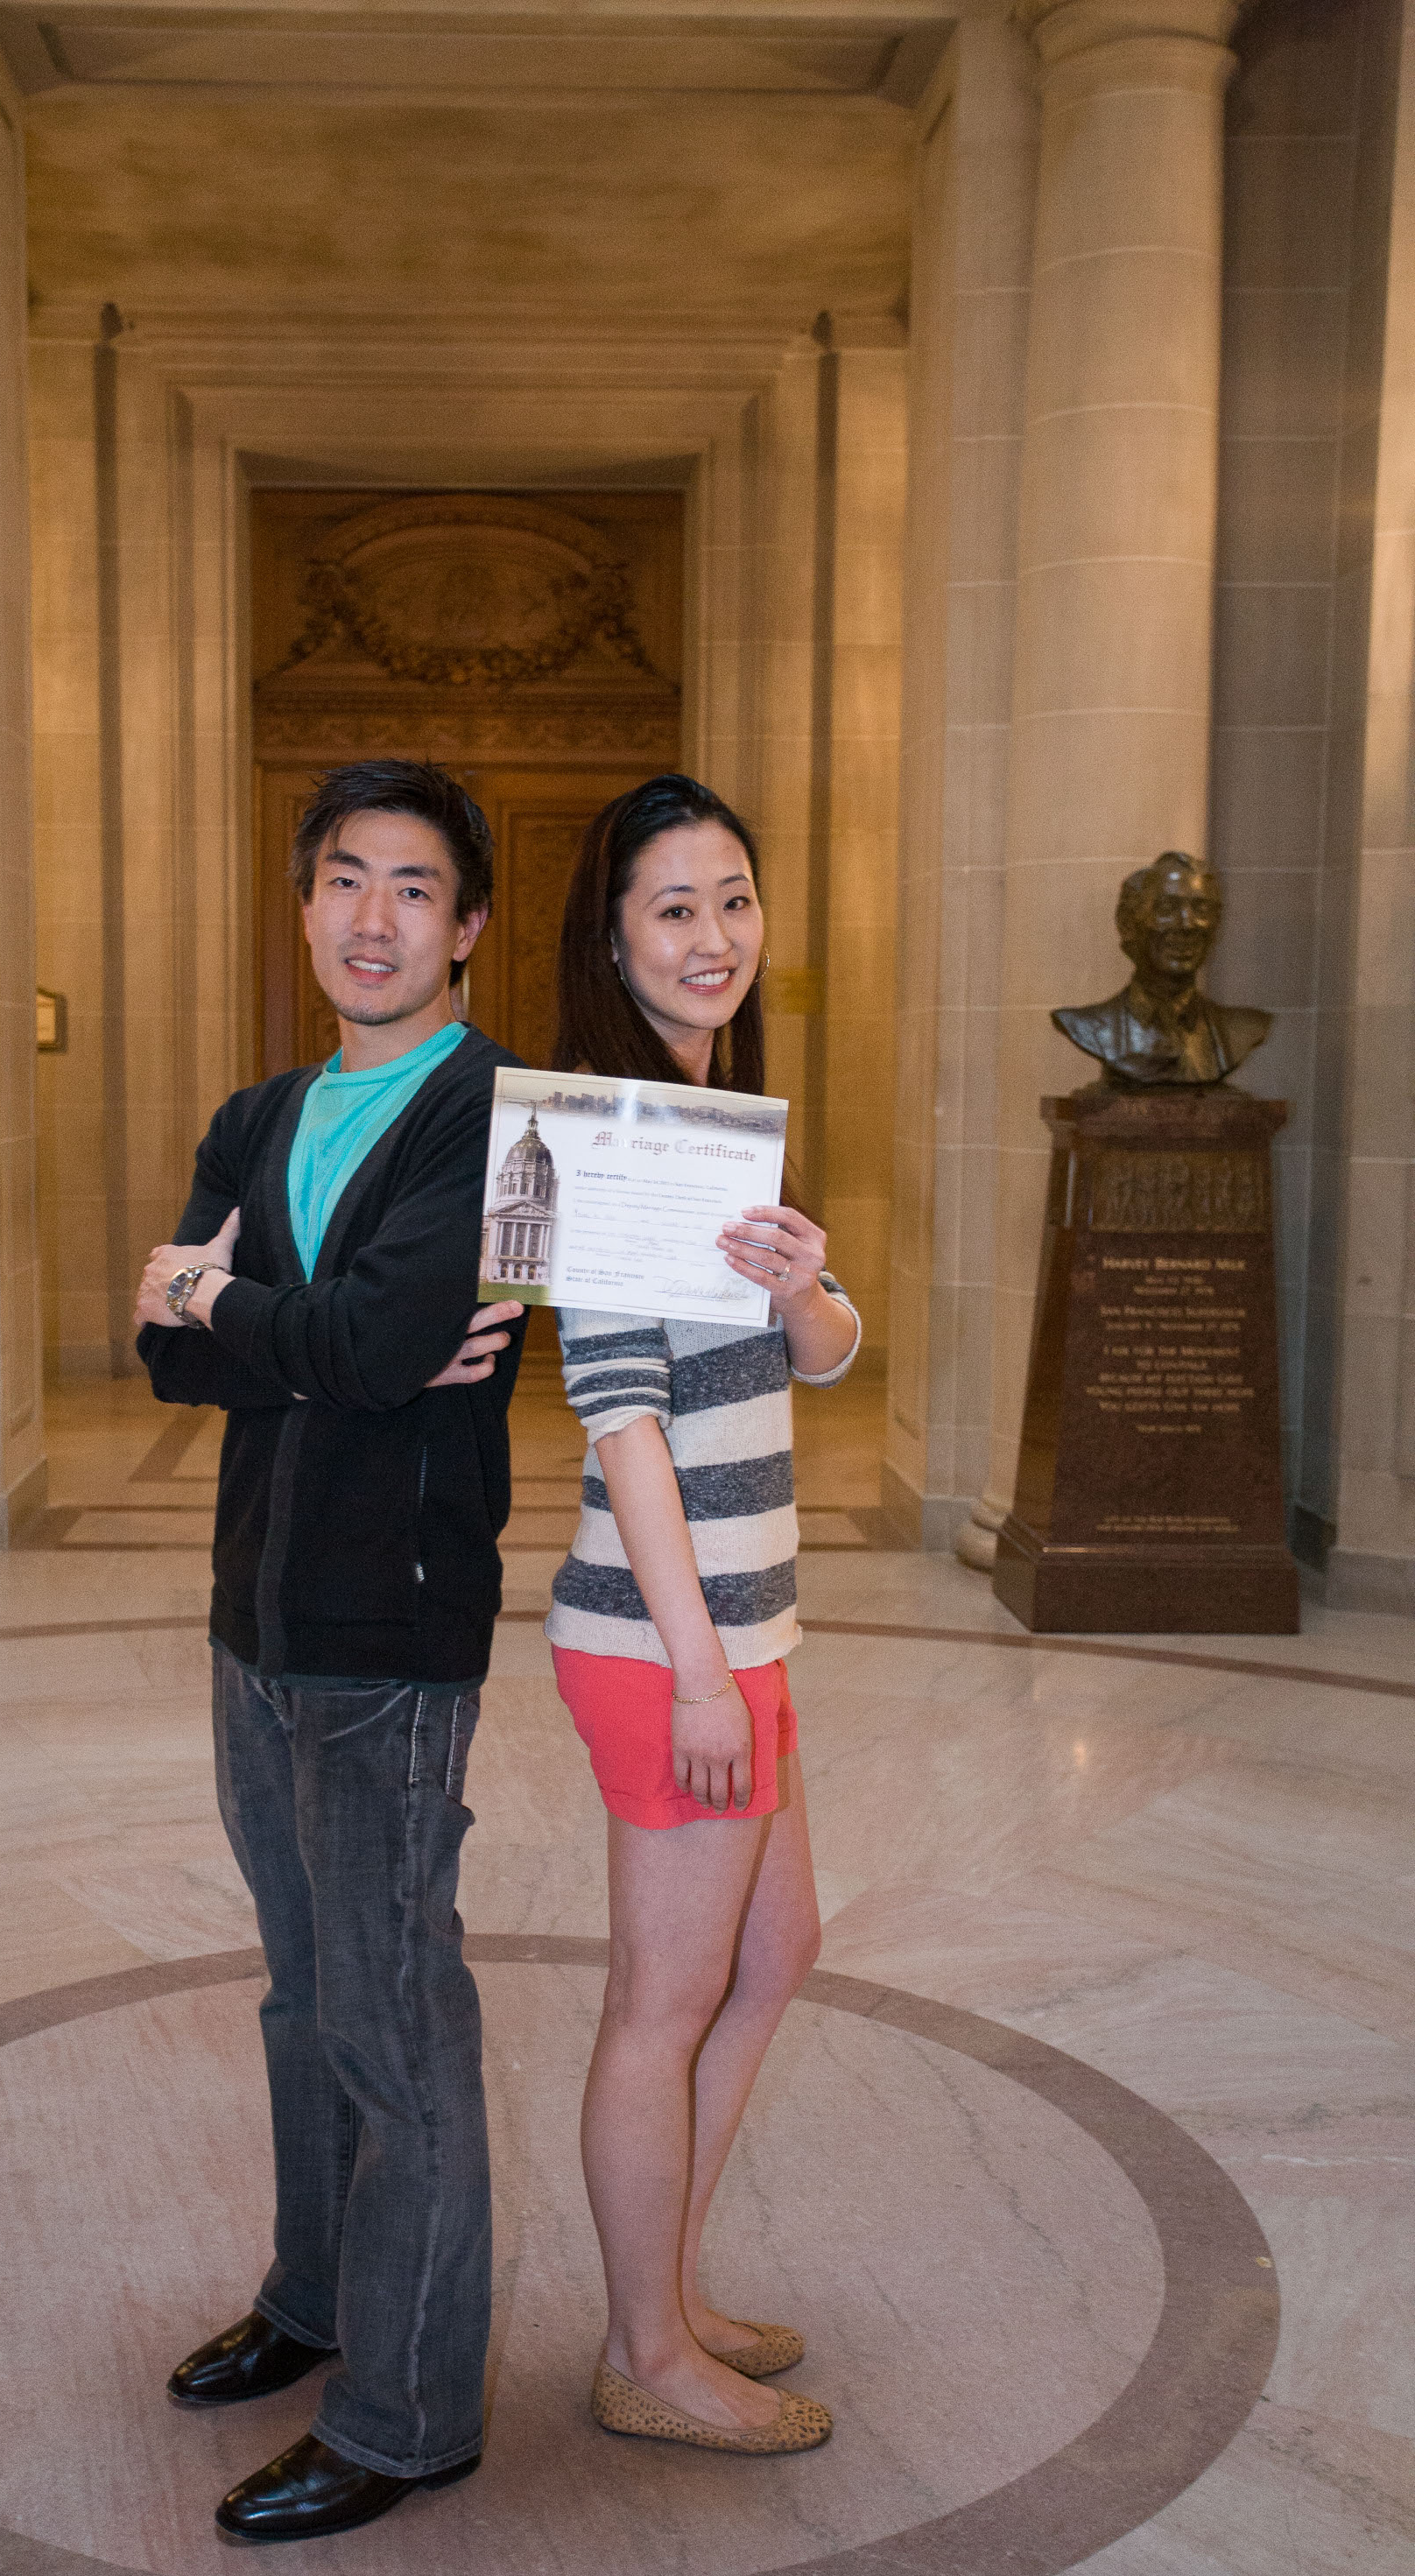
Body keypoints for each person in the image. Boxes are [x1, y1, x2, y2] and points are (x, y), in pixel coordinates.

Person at [135, 759, 525, 2545]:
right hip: (254, 1611)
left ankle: (408, 2403)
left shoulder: (494, 1115)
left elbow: (398, 1334)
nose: (375, 918)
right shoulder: (258, 1109)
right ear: (304, 904)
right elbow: (172, 1352)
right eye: (346, 880)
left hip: (390, 1628)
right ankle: (312, 2293)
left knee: (393, 2021)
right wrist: (276, 1331)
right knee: (304, 1993)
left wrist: (244, 1315)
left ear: (466, 927)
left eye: (416, 888)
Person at [545, 773, 860, 2456]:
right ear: (613, 936)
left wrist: (799, 1280)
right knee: (658, 2000)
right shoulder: (606, 1141)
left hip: (749, 1626)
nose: (712, 934)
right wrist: (694, 1669)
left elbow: (816, 1354)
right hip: (668, 1641)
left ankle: (665, 2283)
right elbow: (620, 1420)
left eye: (731, 897)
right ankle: (644, 2352)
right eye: (673, 906)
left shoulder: (714, 1115)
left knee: (773, 1948)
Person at [1052, 849, 1271, 1085]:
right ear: (1128, 924)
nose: (1187, 924)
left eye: (1201, 909)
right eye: (1167, 908)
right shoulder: (1090, 1027)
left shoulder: (1241, 1029)